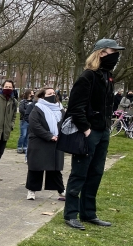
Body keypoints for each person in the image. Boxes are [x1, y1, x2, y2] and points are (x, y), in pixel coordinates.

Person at [63, 39, 124, 230]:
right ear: (101, 53)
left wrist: (107, 126)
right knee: (80, 173)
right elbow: (75, 107)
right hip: (89, 132)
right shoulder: (87, 76)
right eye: (112, 52)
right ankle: (71, 214)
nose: (116, 56)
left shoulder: (107, 76)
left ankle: (89, 213)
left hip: (103, 131)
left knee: (96, 173)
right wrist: (86, 129)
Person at [25, 88, 65, 201]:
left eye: (53, 93)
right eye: (49, 94)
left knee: (55, 169)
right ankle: (31, 190)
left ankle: (61, 190)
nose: (52, 95)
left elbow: (64, 123)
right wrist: (49, 136)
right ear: (42, 96)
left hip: (56, 143)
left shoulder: (60, 108)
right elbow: (35, 125)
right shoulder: (37, 108)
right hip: (39, 142)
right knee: (36, 167)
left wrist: (61, 136)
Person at [17, 90, 34, 154]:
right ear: (29, 94)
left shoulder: (33, 102)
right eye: (32, 93)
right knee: (23, 134)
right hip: (24, 120)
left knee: (27, 135)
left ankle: (25, 147)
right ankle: (19, 147)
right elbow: (21, 109)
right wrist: (27, 113)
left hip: (30, 120)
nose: (33, 94)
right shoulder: (23, 101)